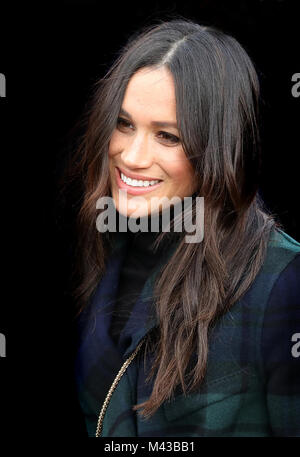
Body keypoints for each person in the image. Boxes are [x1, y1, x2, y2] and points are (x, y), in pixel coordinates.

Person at [70, 18, 300, 437]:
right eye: (124, 124)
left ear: (218, 147)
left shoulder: (283, 280)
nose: (132, 156)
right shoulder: (110, 241)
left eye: (168, 136)